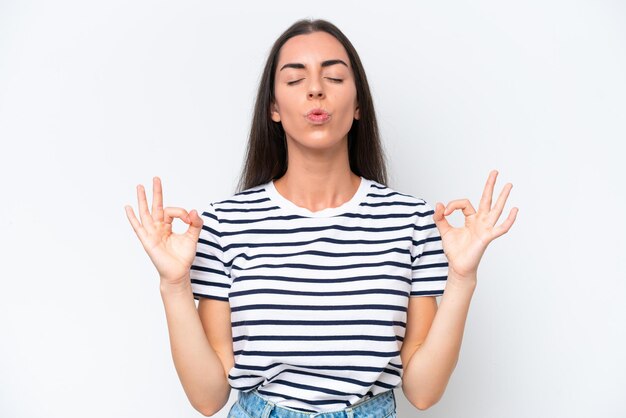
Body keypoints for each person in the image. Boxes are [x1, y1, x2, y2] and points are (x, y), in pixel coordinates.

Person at [125, 18, 518, 418]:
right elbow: (207, 398)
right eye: (295, 80)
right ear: (274, 108)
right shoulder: (226, 224)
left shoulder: (412, 221)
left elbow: (423, 392)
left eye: (333, 76)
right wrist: (174, 285)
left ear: (359, 102)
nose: (315, 89)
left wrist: (462, 278)